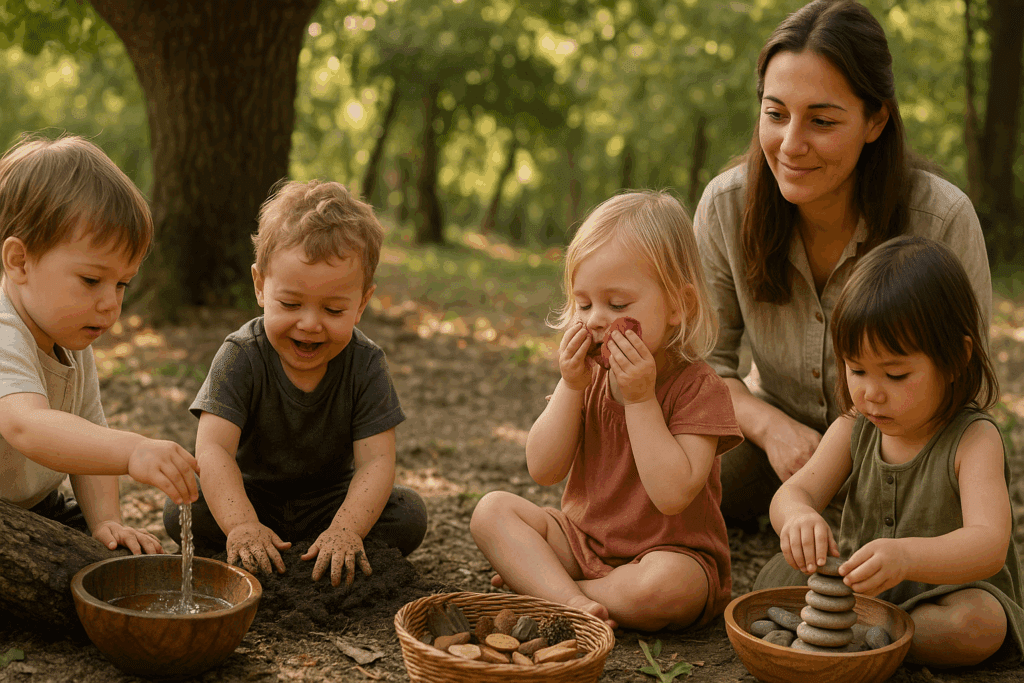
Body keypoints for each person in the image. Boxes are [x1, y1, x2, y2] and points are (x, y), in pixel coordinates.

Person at [693, 0, 992, 530]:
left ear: (876, 119)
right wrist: (769, 428)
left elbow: (968, 383)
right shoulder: (726, 206)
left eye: (822, 121)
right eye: (775, 113)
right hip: (774, 444)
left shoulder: (940, 218)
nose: (790, 145)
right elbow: (701, 368)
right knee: (667, 483)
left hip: (903, 454)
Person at [470, 191, 743, 631]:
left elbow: (672, 494)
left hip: (666, 556)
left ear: (678, 305)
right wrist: (569, 385)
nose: (596, 319)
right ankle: (570, 598)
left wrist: (640, 399)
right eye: (583, 304)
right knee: (491, 511)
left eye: (617, 305)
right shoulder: (588, 377)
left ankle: (552, 593)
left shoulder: (699, 389)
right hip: (581, 542)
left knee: (670, 588)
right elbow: (542, 469)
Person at [756, 235, 1024, 667]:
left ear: (956, 358)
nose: (872, 394)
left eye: (896, 374)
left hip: (946, 596)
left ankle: (855, 641)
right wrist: (800, 518)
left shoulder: (972, 439)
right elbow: (792, 494)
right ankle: (860, 638)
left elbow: (989, 544)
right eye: (857, 369)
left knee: (977, 625)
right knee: (774, 577)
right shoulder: (853, 426)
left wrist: (907, 557)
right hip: (859, 590)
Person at [163, 179, 427, 587]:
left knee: (408, 513)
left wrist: (347, 529)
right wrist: (240, 524)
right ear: (260, 287)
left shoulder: (366, 364)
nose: (309, 323)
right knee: (184, 507)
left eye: (333, 309)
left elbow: (376, 462)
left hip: (330, 504)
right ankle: (256, 545)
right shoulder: (241, 355)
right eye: (290, 304)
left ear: (362, 304)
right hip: (251, 497)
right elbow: (213, 448)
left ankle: (327, 549)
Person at [0, 134, 200, 555]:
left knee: (113, 557)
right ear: (19, 262)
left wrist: (108, 521)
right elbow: (27, 426)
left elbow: (88, 437)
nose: (110, 304)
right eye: (91, 280)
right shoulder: (4, 330)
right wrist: (133, 450)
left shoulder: (71, 340)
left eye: (122, 284)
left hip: (35, 506)